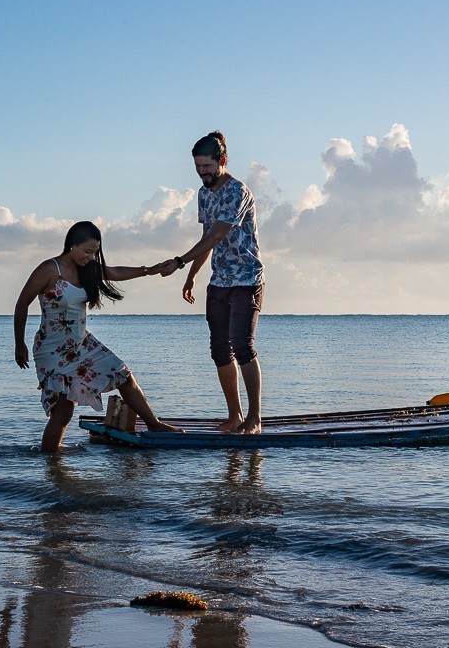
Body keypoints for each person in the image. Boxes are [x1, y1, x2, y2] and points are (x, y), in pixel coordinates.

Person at [14, 221, 180, 452]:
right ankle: (51, 462)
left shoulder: (88, 269)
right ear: (72, 245)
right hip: (52, 350)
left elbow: (114, 272)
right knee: (63, 412)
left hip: (81, 343)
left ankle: (154, 424)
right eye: (87, 251)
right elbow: (22, 303)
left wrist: (148, 270)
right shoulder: (50, 269)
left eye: (95, 252)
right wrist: (18, 343)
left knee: (123, 375)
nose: (91, 256)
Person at [159, 131, 265, 434]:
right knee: (220, 350)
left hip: (246, 279)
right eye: (197, 168)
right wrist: (192, 276)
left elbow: (218, 234)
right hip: (219, 281)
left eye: (206, 166)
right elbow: (206, 240)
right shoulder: (203, 195)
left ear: (222, 160)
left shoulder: (237, 191)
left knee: (242, 347)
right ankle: (235, 416)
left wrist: (179, 262)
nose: (202, 173)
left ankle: (254, 419)